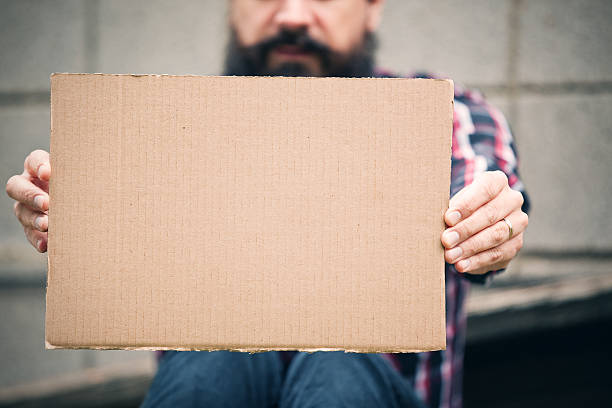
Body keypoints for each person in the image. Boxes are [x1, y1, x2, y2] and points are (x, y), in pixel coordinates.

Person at [5, 0, 529, 407]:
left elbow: (477, 184)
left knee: (335, 369)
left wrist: (487, 223)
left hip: (368, 393)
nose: (294, 16)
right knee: (213, 364)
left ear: (373, 6)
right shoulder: (170, 127)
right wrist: (67, 206)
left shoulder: (445, 116)